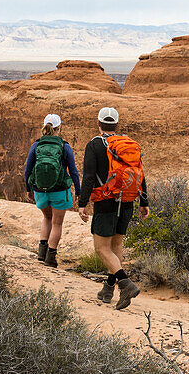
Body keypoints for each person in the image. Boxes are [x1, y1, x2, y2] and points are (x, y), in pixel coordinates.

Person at [79, 106, 148, 310]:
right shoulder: (128, 144)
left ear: (98, 123)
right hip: (127, 201)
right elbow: (140, 174)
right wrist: (144, 202)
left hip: (106, 201)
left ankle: (125, 284)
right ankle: (108, 288)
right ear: (117, 125)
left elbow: (89, 177)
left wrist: (83, 203)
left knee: (101, 249)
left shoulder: (94, 145)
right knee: (116, 246)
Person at [24, 113, 81, 268]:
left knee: (47, 219)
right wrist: (78, 191)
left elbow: (28, 169)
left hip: (40, 190)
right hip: (59, 190)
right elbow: (73, 171)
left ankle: (41, 254)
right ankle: (51, 257)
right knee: (57, 223)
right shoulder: (64, 146)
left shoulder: (36, 145)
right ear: (59, 128)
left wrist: (28, 189)